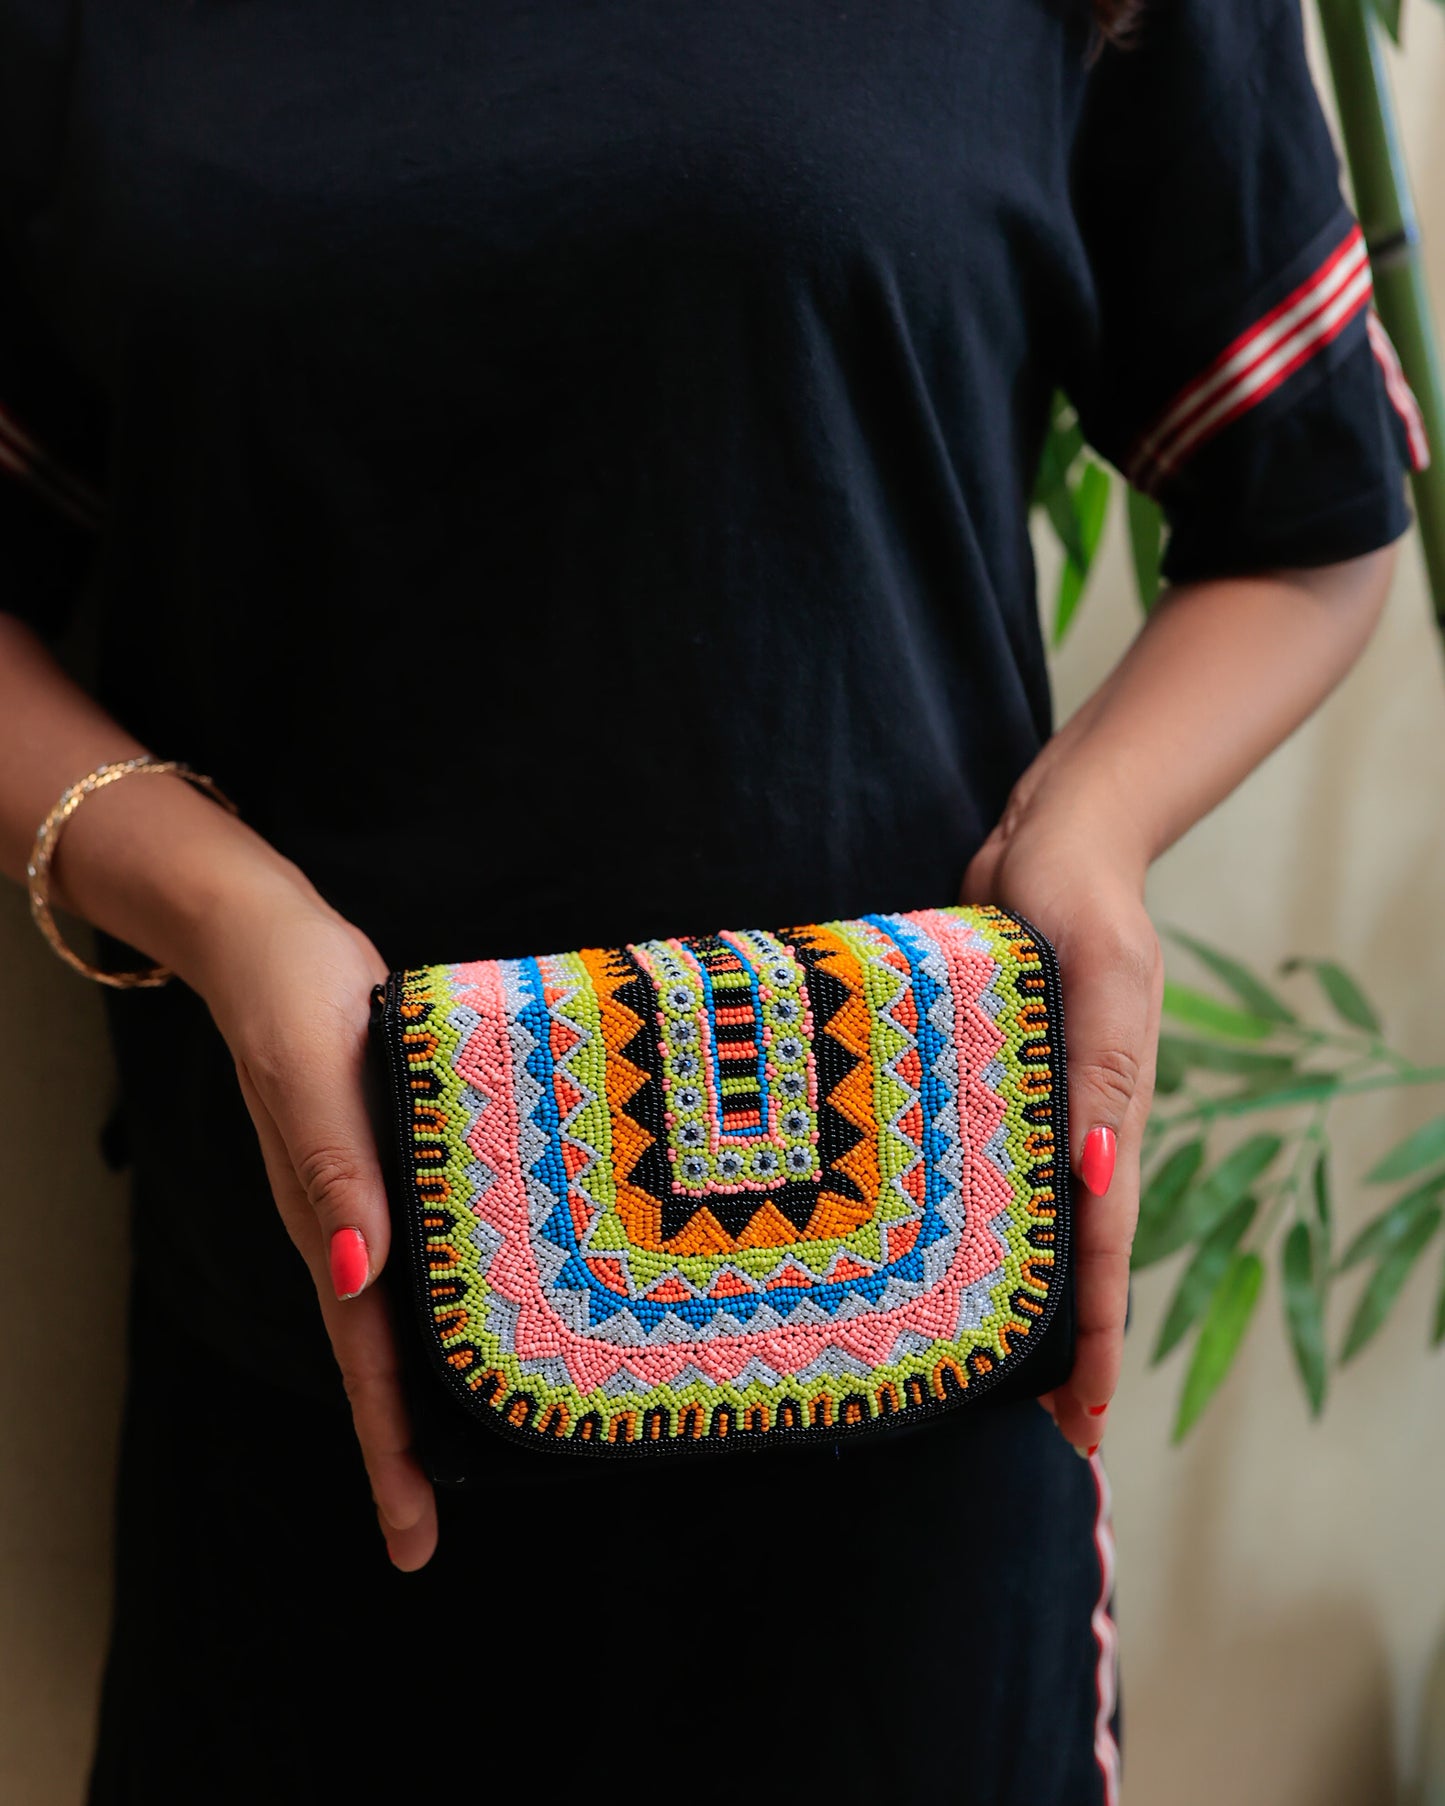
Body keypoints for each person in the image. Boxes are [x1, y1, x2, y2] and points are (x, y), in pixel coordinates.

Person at [0, 0, 1428, 1800]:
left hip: (909, 1414)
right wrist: (207, 896)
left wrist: (1090, 829)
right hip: (309, 1417)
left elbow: (1306, 513)